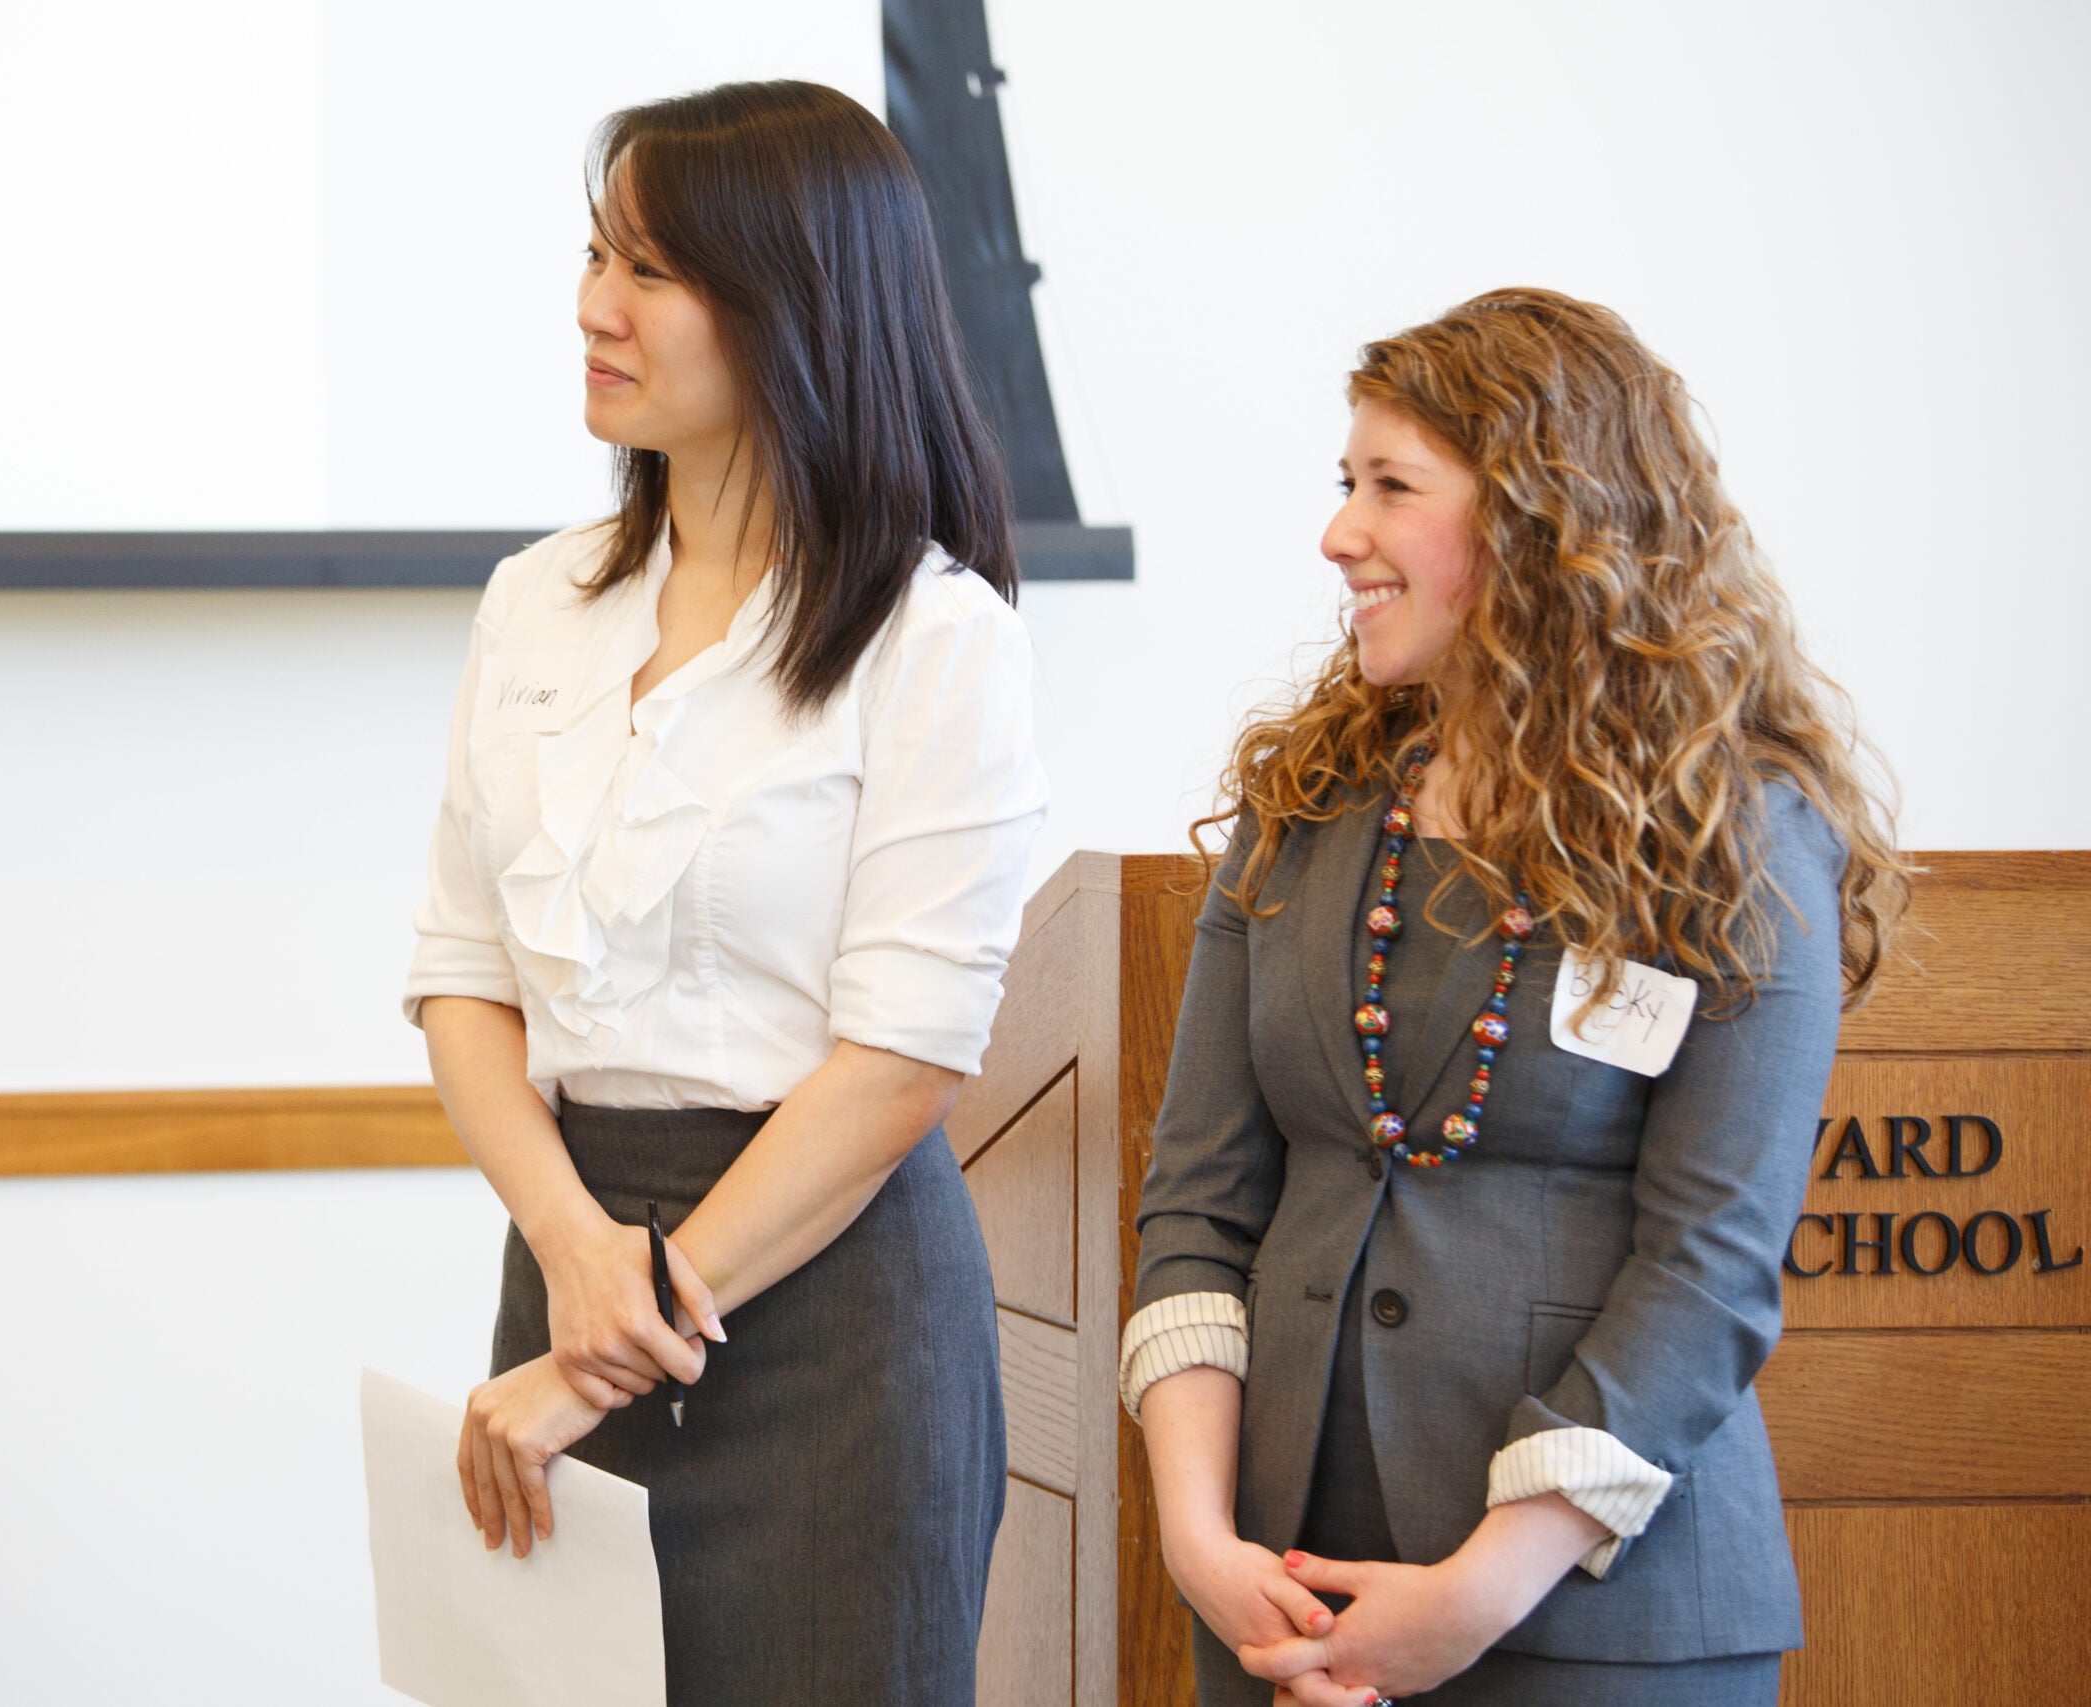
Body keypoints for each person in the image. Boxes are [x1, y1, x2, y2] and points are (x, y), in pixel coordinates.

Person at [1120, 288, 1908, 1707]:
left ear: (1539, 522)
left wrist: (1478, 1591)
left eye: (1390, 489)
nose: (1338, 533)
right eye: (1343, 485)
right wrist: (1196, 1540)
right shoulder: (1302, 805)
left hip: (1600, 1619)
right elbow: (1196, 1203)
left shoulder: (1740, 833)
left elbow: (1712, 1263)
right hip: (1278, 1602)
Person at [402, 80, 1047, 1705]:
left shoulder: (935, 636)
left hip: (832, 1315)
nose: (590, 309)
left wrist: (645, 1307)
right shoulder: (536, 602)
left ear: (790, 308)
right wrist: (576, 1256)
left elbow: (904, 1055)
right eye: (594, 257)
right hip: (572, 1256)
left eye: (647, 271)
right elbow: (463, 977)